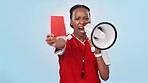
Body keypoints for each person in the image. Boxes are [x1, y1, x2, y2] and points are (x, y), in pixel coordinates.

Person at [46, 4, 111, 83]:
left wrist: (98, 53)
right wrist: (55, 41)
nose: (82, 22)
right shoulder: (66, 40)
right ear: (71, 22)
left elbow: (105, 77)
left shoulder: (98, 42)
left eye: (86, 18)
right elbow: (61, 42)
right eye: (77, 19)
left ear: (90, 21)